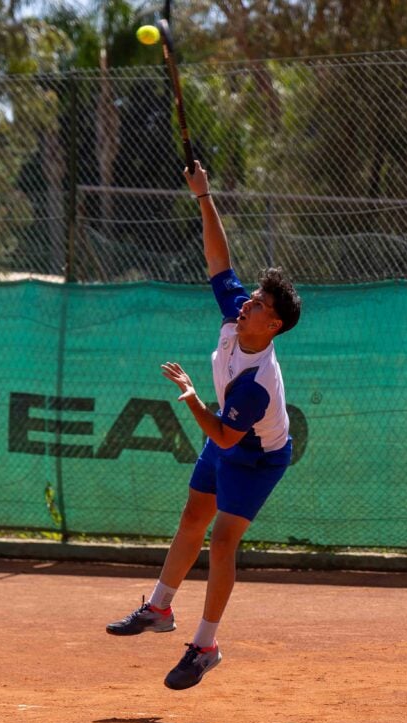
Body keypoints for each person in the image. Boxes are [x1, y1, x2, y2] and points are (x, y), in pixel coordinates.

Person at [106, 160, 302, 691]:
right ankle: (159, 609)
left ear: (273, 325)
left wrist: (192, 396)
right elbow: (219, 261)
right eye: (252, 297)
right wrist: (204, 195)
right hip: (229, 437)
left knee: (221, 542)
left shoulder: (257, 384)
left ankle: (206, 646)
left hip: (258, 456)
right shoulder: (237, 316)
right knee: (193, 515)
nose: (247, 304)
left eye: (258, 305)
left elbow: (222, 436)